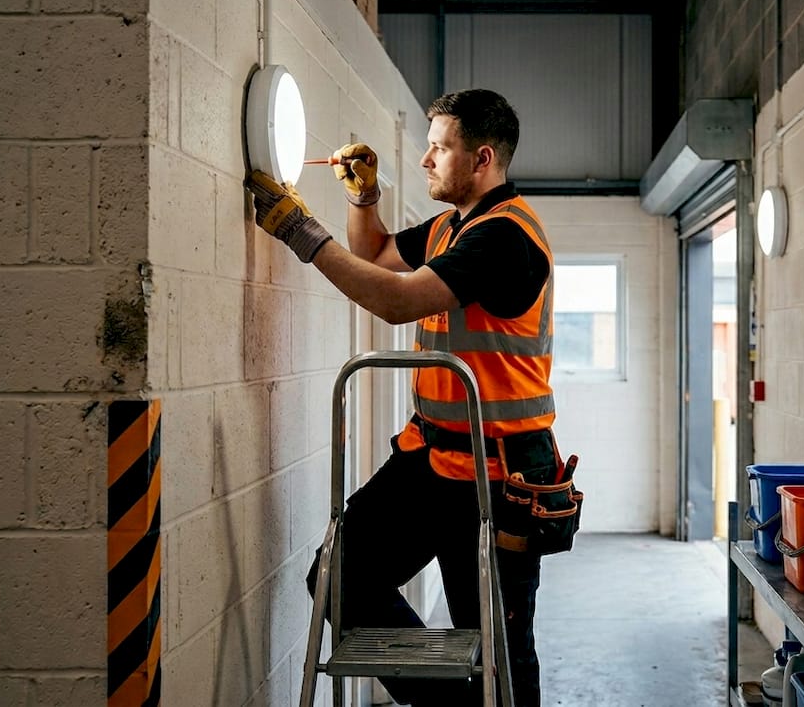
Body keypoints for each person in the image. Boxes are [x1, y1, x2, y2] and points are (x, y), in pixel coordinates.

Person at [245, 89, 576, 707]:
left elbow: (396, 301)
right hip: (431, 458)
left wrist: (299, 231)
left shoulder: (501, 239)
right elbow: (375, 253)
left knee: (500, 646)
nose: (425, 160)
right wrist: (361, 198)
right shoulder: (457, 225)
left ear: (480, 159)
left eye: (438, 148)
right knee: (337, 581)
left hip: (500, 476)